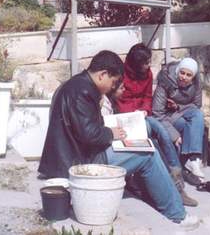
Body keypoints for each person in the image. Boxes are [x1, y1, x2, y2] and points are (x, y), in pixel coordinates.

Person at [38, 50, 198, 229]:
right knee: (147, 155)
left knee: (146, 142)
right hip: (78, 161)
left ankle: (165, 197)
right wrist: (111, 134)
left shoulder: (78, 85)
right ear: (102, 75)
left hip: (76, 154)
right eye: (113, 82)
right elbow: (89, 134)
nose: (113, 88)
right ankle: (177, 215)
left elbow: (84, 129)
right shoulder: (82, 91)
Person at [116, 43, 198, 207]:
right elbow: (117, 99)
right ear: (135, 64)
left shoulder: (147, 74)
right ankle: (166, 186)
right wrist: (133, 113)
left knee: (162, 132)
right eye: (145, 63)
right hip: (125, 116)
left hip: (143, 114)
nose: (148, 65)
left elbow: (147, 96)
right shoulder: (121, 74)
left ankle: (177, 181)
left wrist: (144, 110)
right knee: (153, 142)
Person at [152, 57, 205, 181]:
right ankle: (188, 162)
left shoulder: (196, 83)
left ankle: (193, 159)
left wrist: (178, 106)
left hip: (183, 110)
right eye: (182, 73)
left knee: (198, 115)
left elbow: (197, 105)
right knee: (184, 125)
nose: (184, 77)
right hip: (168, 115)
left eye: (188, 75)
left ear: (193, 77)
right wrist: (174, 135)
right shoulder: (165, 81)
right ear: (177, 71)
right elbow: (157, 113)